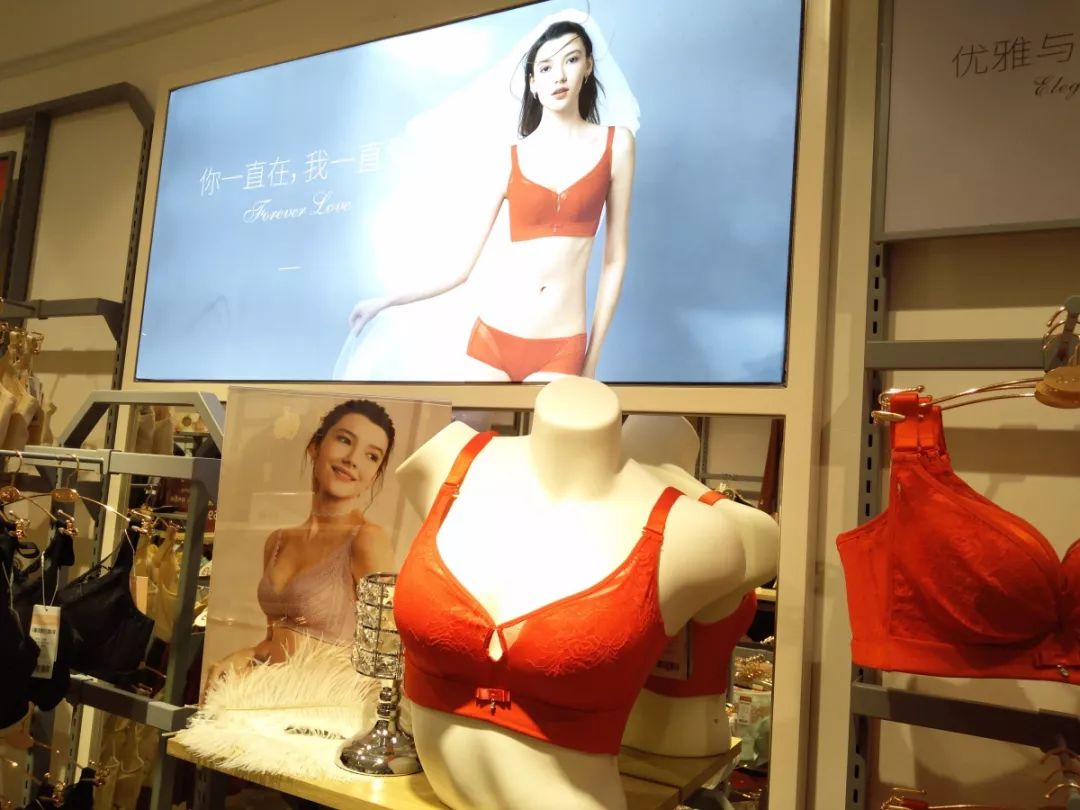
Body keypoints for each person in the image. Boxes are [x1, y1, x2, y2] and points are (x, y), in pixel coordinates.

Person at [343, 19, 636, 382]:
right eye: (545, 67)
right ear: (533, 82)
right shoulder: (509, 159)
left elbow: (614, 261)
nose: (559, 75)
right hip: (493, 338)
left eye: (571, 60)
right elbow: (460, 268)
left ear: (588, 66)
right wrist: (385, 301)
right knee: (463, 421)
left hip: (562, 345)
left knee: (546, 422)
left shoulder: (617, 145)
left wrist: (591, 360)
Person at [207, 399, 396, 683]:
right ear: (315, 446)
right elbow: (274, 640)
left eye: (371, 456)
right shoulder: (278, 541)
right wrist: (248, 654)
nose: (352, 459)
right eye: (345, 440)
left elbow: (387, 652)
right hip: (271, 691)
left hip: (326, 701)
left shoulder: (368, 539)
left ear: (373, 476)